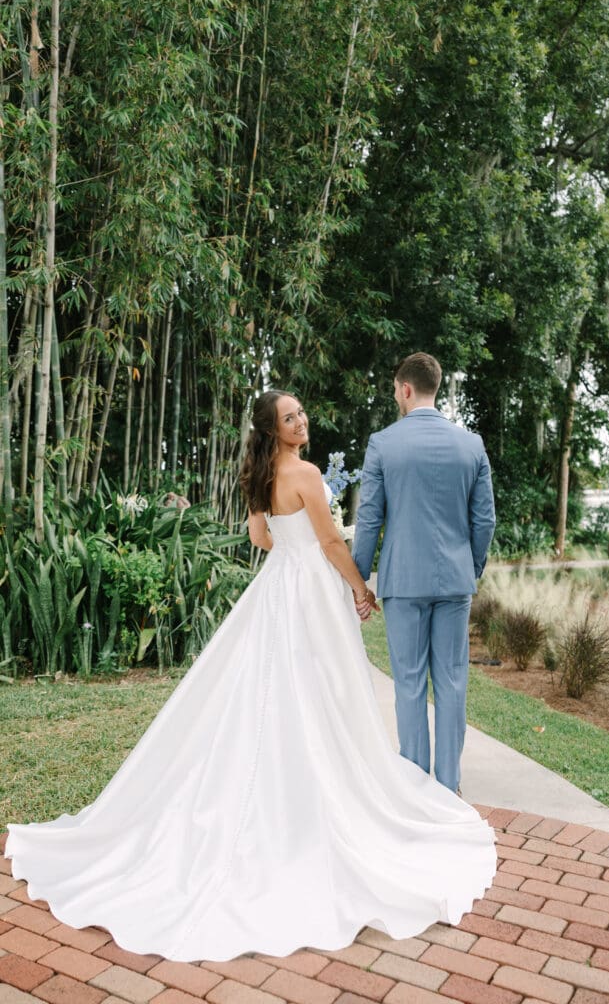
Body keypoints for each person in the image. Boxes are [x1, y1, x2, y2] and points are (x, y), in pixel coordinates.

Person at [5, 389, 496, 963]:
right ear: (276, 430)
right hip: (311, 587)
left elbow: (260, 539)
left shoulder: (260, 476)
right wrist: (359, 588)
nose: (301, 420)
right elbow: (333, 540)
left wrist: (292, 544)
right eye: (291, 418)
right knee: (320, 689)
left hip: (278, 586)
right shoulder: (308, 473)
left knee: (276, 686)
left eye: (300, 413)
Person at [353, 353, 496, 795]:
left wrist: (360, 583)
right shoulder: (471, 445)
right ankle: (449, 788)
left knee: (410, 683)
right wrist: (467, 569)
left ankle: (416, 788)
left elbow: (370, 519)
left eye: (396, 391)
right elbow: (484, 521)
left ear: (406, 389)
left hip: (403, 581)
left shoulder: (383, 443)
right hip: (454, 581)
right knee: (452, 682)